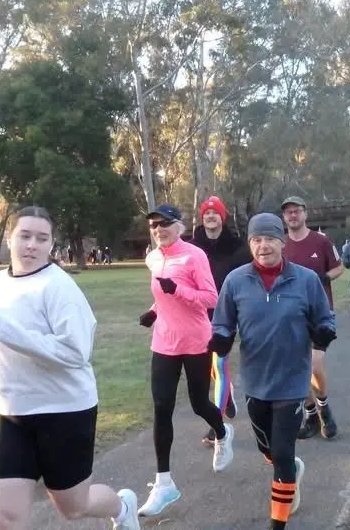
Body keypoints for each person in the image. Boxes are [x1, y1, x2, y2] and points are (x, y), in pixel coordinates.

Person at [0, 205, 141, 530]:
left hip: (64, 412)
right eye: (25, 236)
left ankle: (122, 506)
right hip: (11, 413)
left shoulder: (59, 287)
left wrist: (7, 330)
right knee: (6, 520)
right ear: (10, 237)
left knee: (73, 506)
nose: (32, 244)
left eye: (41, 238)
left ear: (51, 245)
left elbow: (75, 352)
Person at [210, 213, 336, 530]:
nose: (263, 246)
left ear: (282, 241)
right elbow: (223, 322)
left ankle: (277, 522)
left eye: (269, 239)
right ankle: (289, 470)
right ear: (250, 243)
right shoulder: (236, 281)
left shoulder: (306, 280)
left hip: (293, 379)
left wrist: (323, 332)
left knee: (281, 452)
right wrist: (222, 338)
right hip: (255, 381)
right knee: (267, 449)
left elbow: (326, 317)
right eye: (256, 240)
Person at [137, 203, 234, 517]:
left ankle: (222, 432)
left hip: (195, 339)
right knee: (161, 406)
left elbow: (211, 297)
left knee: (198, 403)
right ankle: (163, 482)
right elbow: (161, 293)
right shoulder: (153, 258)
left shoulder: (195, 255)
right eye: (154, 225)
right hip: (164, 341)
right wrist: (153, 312)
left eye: (164, 223)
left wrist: (177, 290)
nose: (158, 229)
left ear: (178, 226)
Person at [190, 194, 252, 445]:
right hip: (196, 316)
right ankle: (227, 397)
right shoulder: (192, 247)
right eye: (206, 213)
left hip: (225, 315)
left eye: (215, 213)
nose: (210, 216)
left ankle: (216, 427)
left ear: (222, 217)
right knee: (207, 370)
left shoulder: (238, 247)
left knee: (220, 364)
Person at [281, 195, 344, 440]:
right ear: (284, 218)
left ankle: (324, 408)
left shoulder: (322, 240)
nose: (293, 216)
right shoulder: (281, 245)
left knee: (315, 364)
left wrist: (323, 279)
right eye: (289, 213)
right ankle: (309, 414)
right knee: (298, 369)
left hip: (321, 312)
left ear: (305, 214)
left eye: (297, 211)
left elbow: (339, 267)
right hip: (291, 315)